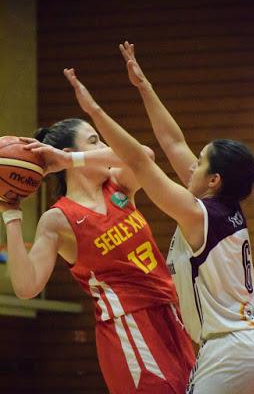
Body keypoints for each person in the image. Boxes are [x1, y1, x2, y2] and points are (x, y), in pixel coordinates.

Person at [58, 43, 254, 394]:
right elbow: (173, 140)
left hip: (229, 351)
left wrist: (93, 110)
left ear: (214, 180)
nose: (191, 165)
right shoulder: (226, 205)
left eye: (199, 162)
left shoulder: (196, 212)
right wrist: (144, 87)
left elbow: (140, 161)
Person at [0, 118, 195, 392]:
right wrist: (12, 216)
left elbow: (143, 155)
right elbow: (26, 286)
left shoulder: (119, 185)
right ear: (67, 155)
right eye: (94, 141)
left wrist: (75, 159)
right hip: (128, 327)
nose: (103, 148)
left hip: (170, 313)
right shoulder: (58, 219)